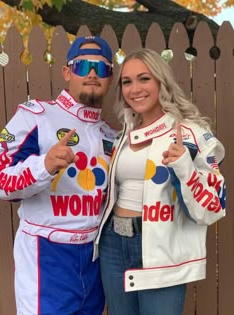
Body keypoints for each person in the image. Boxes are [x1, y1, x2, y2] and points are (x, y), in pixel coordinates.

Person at [93, 48, 226, 315]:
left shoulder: (190, 133)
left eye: (144, 79)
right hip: (113, 245)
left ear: (161, 82)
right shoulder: (124, 135)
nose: (135, 89)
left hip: (159, 246)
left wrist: (185, 168)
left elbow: (213, 207)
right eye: (127, 82)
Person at [0, 35, 116, 315]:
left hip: (93, 258)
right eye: (82, 66)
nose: (91, 74)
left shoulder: (109, 135)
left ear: (110, 77)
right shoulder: (35, 116)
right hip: (46, 254)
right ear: (66, 72)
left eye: (101, 68)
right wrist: (44, 166)